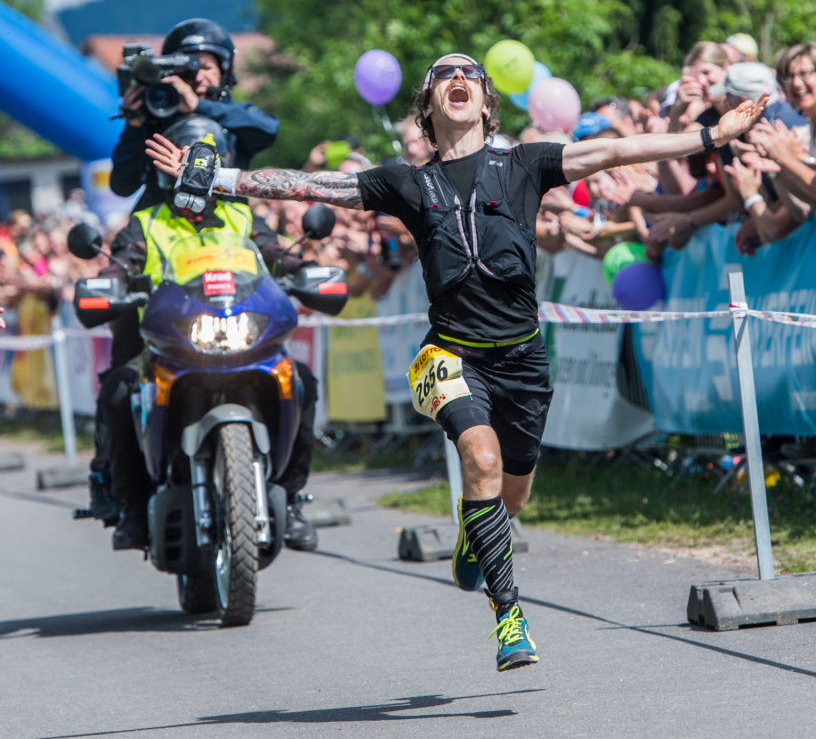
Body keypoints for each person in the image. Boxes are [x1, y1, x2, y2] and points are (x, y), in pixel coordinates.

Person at [147, 52, 767, 672]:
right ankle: (510, 617)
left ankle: (477, 538)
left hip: (521, 358)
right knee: (481, 457)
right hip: (449, 353)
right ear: (429, 105)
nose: (459, 80)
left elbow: (614, 153)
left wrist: (712, 134)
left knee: (511, 497)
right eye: (444, 75)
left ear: (487, 100)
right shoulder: (408, 183)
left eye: (470, 74)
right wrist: (218, 177)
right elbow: (311, 186)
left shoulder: (526, 164)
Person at [98, 116, 320, 552]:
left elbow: (276, 254)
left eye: (203, 163)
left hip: (243, 336)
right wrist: (107, 282)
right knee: (120, 390)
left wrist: (307, 270)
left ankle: (291, 499)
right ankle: (131, 508)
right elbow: (120, 263)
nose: (194, 174)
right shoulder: (146, 223)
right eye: (184, 164)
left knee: (303, 379)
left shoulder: (242, 216)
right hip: (168, 347)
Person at [110, 17, 279, 212]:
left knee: (269, 243)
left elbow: (269, 129)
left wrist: (198, 105)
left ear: (223, 71)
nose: (198, 77)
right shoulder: (156, 114)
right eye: (189, 70)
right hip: (166, 229)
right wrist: (134, 127)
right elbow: (122, 186)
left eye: (206, 68)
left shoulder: (233, 115)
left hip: (228, 226)